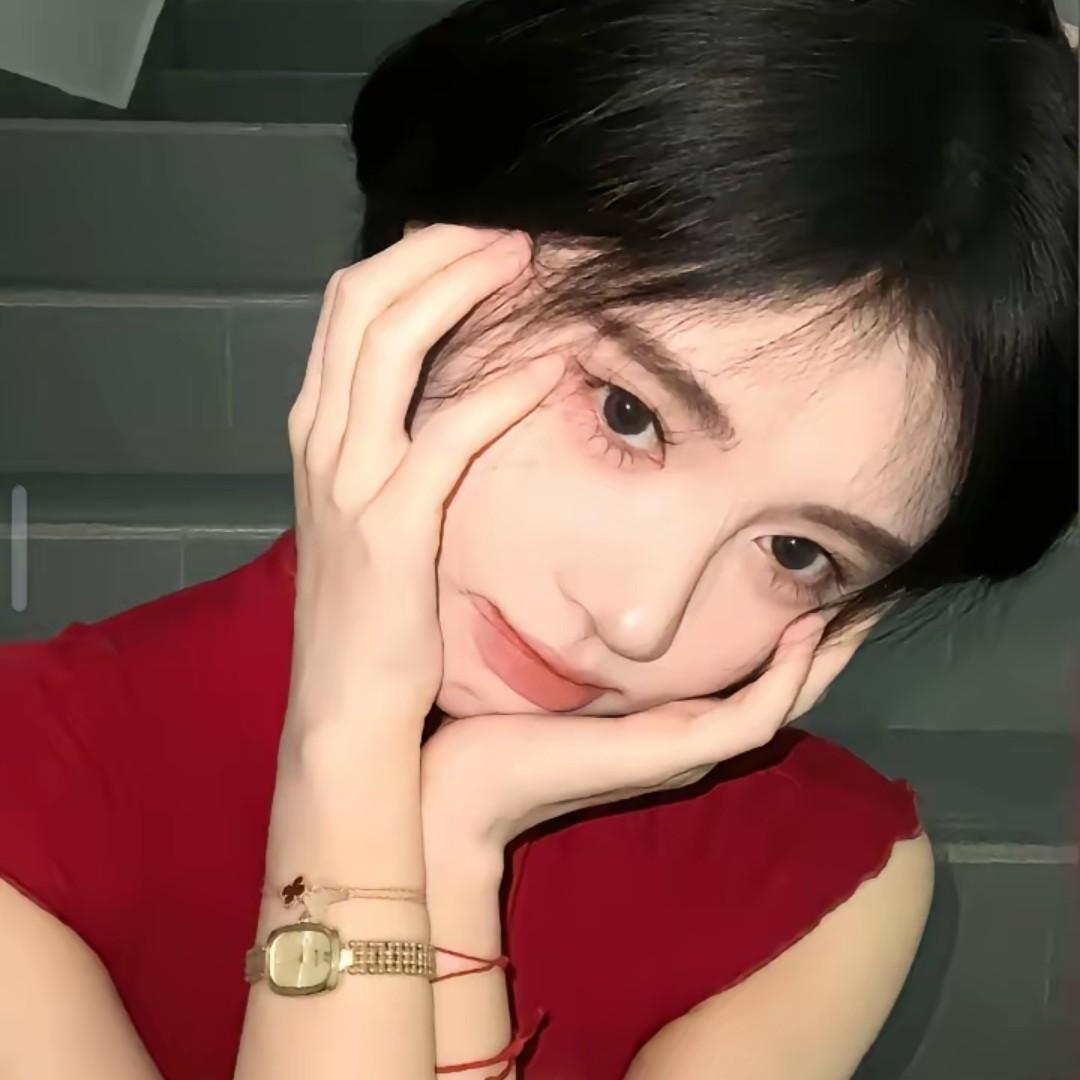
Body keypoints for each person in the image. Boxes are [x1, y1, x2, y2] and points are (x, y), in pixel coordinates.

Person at [1, 2, 1075, 1078]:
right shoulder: (34, 783)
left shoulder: (826, 883)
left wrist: (454, 839)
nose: (640, 617)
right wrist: (348, 754)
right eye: (627, 412)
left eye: (798, 554)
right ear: (423, 270)